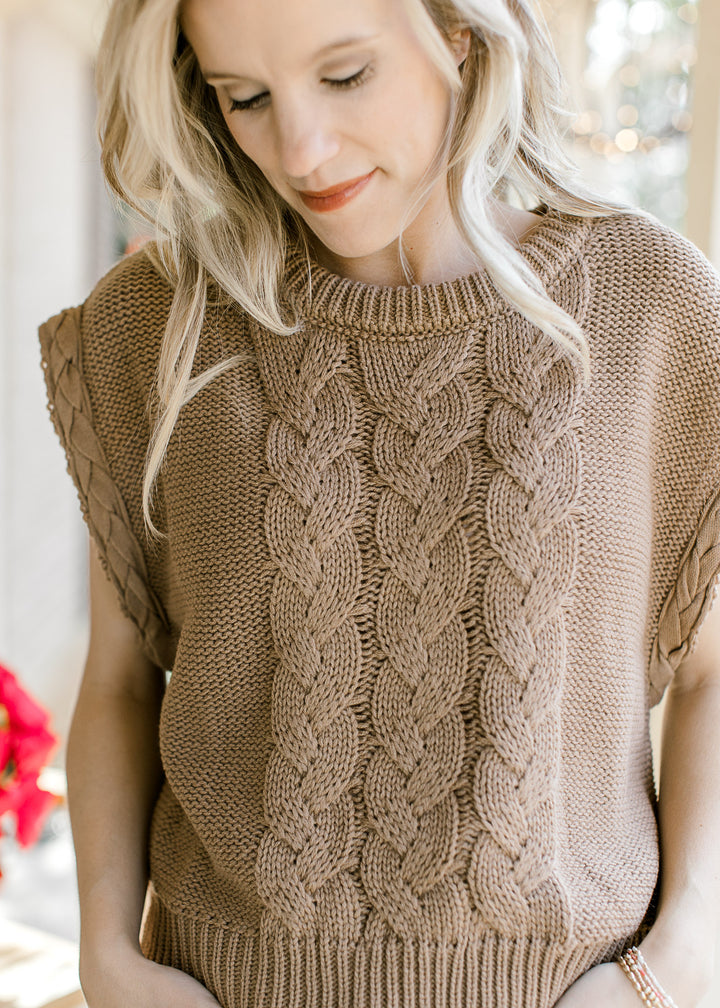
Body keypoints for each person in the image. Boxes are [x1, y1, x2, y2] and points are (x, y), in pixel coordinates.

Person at [37, 0, 720, 1005]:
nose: (301, 147)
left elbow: (710, 675)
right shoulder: (156, 331)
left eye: (346, 75)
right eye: (247, 97)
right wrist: (108, 959)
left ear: (459, 31)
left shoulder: (651, 307)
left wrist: (685, 956)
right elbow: (122, 682)